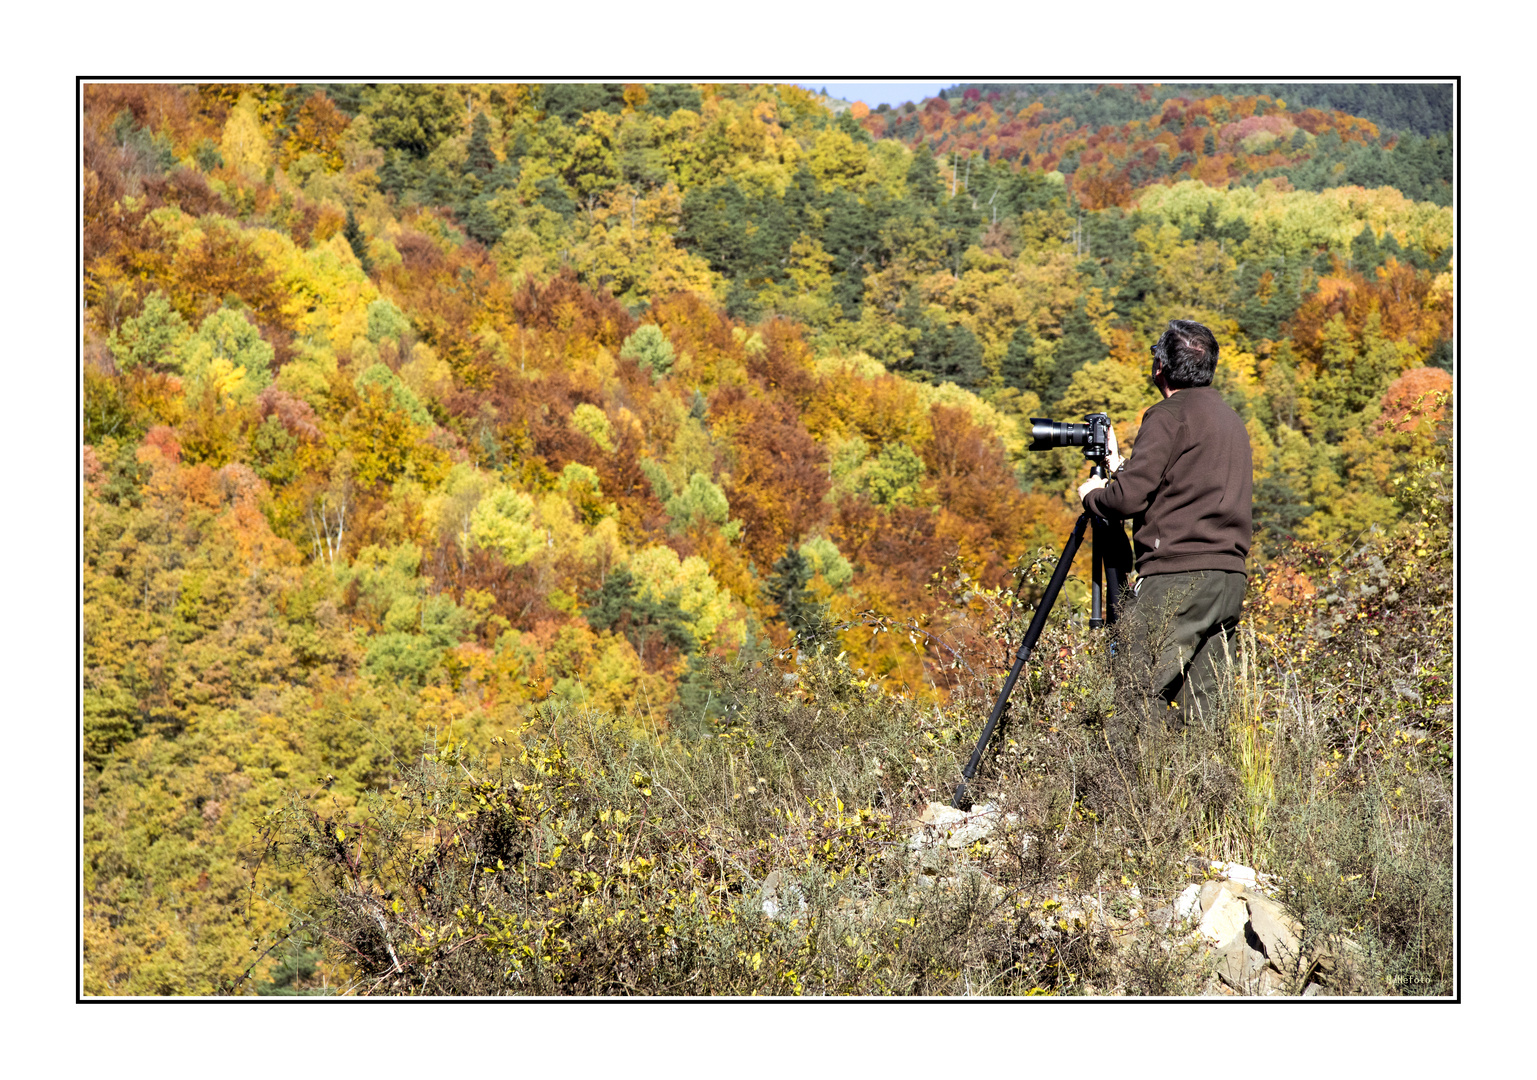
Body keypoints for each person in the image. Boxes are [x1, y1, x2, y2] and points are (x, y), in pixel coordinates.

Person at [1076, 319, 1252, 727]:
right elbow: (1186, 483)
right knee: (1208, 716)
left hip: (1177, 577)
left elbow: (1127, 499)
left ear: (1159, 367)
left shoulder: (1168, 415)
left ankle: (1138, 788)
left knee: (1131, 696)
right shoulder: (1230, 420)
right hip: (1227, 581)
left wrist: (1093, 495)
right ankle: (1203, 787)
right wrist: (1127, 467)